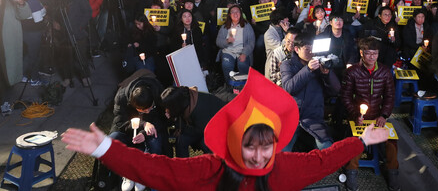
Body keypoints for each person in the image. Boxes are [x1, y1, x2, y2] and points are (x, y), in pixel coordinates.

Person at [62, 68, 389, 191]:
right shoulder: (210, 170)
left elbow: (323, 161)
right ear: (234, 144)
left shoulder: (285, 168)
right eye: (251, 147)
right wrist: (106, 149)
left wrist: (361, 141)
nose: (260, 157)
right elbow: (157, 169)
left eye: (267, 147)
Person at [341, 37, 399, 191]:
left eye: (375, 53)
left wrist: (384, 115)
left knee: (392, 143)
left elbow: (390, 96)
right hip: (358, 118)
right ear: (361, 53)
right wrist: (355, 115)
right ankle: (351, 173)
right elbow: (345, 97)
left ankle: (393, 174)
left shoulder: (385, 71)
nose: (372, 57)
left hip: (377, 117)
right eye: (368, 53)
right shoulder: (352, 72)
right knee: (355, 142)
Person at [281, 32, 340, 151]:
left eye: (313, 49)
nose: (311, 52)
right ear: (296, 49)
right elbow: (288, 88)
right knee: (282, 150)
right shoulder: (288, 64)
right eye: (307, 49)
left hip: (313, 116)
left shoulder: (320, 63)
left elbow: (336, 90)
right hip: (292, 115)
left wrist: (327, 74)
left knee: (326, 148)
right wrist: (308, 70)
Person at [110, 73, 167, 190]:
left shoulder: (159, 94)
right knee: (112, 139)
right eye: (143, 110)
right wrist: (143, 124)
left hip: (150, 133)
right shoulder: (121, 97)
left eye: (150, 108)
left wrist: (145, 133)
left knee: (155, 141)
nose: (147, 111)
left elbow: (164, 120)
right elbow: (120, 122)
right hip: (128, 132)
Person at [160, 86, 225, 157]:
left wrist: (175, 120)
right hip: (201, 127)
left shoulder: (198, 108)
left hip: (217, 128)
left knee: (204, 143)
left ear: (175, 105)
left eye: (168, 107)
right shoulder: (184, 99)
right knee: (181, 140)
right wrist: (173, 118)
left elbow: (199, 130)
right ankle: (183, 165)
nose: (166, 109)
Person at [216, 5, 255, 80]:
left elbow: (251, 42)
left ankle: (244, 86)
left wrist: (244, 53)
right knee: (226, 64)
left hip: (242, 51)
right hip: (228, 51)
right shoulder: (224, 27)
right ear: (229, 15)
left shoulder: (247, 26)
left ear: (241, 14)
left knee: (242, 64)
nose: (235, 14)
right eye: (232, 12)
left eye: (237, 11)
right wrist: (227, 41)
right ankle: (230, 86)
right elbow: (218, 42)